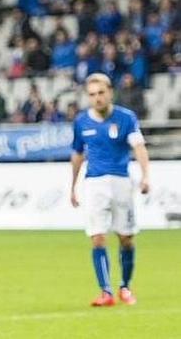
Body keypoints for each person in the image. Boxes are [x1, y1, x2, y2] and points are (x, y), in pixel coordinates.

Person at [70, 73, 150, 307]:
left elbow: (139, 147)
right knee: (97, 237)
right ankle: (106, 292)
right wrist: (73, 185)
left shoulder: (126, 118)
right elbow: (77, 154)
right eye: (92, 94)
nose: (97, 98)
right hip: (94, 183)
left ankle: (124, 286)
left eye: (101, 93)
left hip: (121, 182)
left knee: (126, 238)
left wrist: (146, 176)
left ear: (110, 92)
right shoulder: (81, 121)